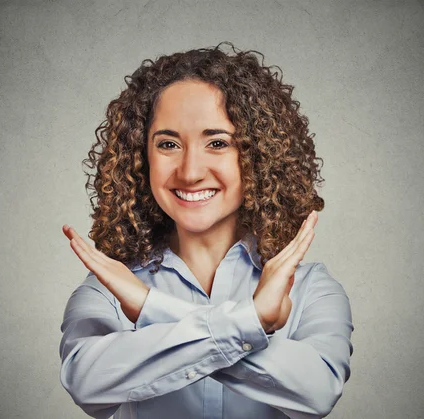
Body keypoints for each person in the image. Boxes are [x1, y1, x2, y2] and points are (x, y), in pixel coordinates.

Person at [59, 42, 354, 419]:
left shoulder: (311, 287)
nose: (190, 171)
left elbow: (316, 392)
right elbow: (87, 384)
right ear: (140, 157)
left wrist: (151, 309)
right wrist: (253, 323)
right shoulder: (110, 285)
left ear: (257, 155)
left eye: (217, 143)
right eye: (168, 144)